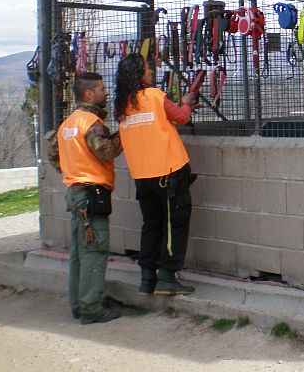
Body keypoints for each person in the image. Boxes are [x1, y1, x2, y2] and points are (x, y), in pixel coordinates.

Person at [114, 53, 198, 296]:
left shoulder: (122, 105)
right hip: (169, 172)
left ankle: (147, 277)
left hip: (142, 176)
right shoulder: (154, 96)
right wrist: (186, 102)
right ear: (139, 74)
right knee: (174, 225)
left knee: (152, 225)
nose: (151, 72)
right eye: (147, 69)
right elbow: (181, 117)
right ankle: (167, 277)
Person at [48, 72, 123, 325]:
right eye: (102, 89)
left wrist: (72, 171)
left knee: (79, 253)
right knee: (95, 251)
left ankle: (78, 304)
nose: (106, 92)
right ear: (89, 94)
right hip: (92, 194)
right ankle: (92, 308)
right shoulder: (91, 123)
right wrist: (124, 130)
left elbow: (53, 155)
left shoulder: (68, 123)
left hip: (75, 192)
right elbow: (106, 151)